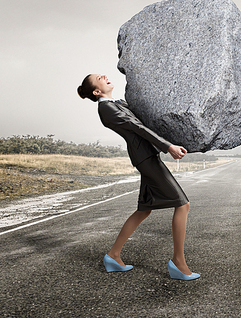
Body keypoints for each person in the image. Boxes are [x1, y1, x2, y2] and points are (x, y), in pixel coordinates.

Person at [77, 73, 199, 280]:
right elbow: (137, 127)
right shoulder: (106, 108)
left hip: (146, 156)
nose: (104, 76)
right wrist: (167, 146)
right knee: (182, 204)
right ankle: (178, 262)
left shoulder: (117, 103)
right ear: (97, 92)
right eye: (99, 78)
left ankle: (113, 256)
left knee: (144, 210)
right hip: (145, 158)